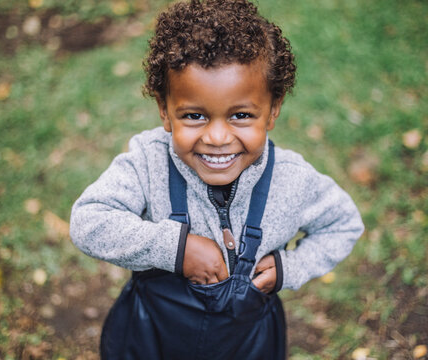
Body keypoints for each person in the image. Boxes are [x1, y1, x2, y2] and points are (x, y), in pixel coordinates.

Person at [70, 0, 364, 358]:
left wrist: (292, 267)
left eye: (241, 115)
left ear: (273, 109)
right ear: (165, 110)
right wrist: (175, 249)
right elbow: (88, 221)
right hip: (152, 339)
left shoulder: (293, 181)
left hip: (248, 345)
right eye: (194, 116)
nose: (218, 137)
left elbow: (344, 225)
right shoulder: (148, 162)